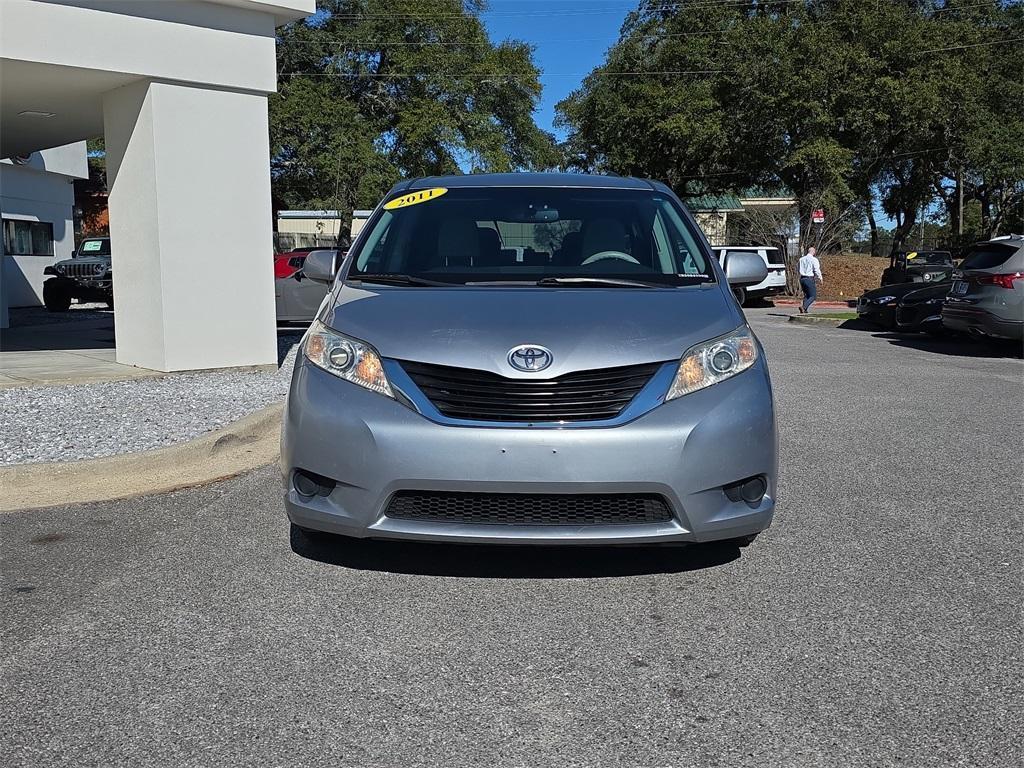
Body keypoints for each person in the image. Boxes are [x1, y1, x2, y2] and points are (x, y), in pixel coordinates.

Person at [798, 246, 823, 314]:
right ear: (813, 252)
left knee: (807, 295)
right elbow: (816, 269)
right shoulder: (814, 259)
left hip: (802, 278)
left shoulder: (801, 259)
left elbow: (798, 268)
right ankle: (804, 307)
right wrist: (820, 277)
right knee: (813, 296)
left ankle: (804, 309)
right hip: (809, 278)